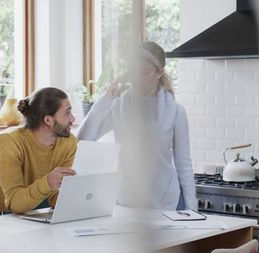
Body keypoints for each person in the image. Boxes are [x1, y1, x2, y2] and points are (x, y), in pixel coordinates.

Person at [77, 41, 197, 211]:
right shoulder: (119, 106)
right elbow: (85, 139)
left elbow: (184, 164)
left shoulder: (176, 112)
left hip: (167, 202)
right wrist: (105, 101)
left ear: (159, 73)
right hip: (126, 201)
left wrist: (192, 210)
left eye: (145, 72)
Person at [0, 87, 77, 224]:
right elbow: (14, 202)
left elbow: (55, 194)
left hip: (21, 207)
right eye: (67, 113)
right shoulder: (7, 142)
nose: (73, 118)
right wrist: (48, 182)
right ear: (48, 120)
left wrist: (79, 201)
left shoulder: (68, 142)